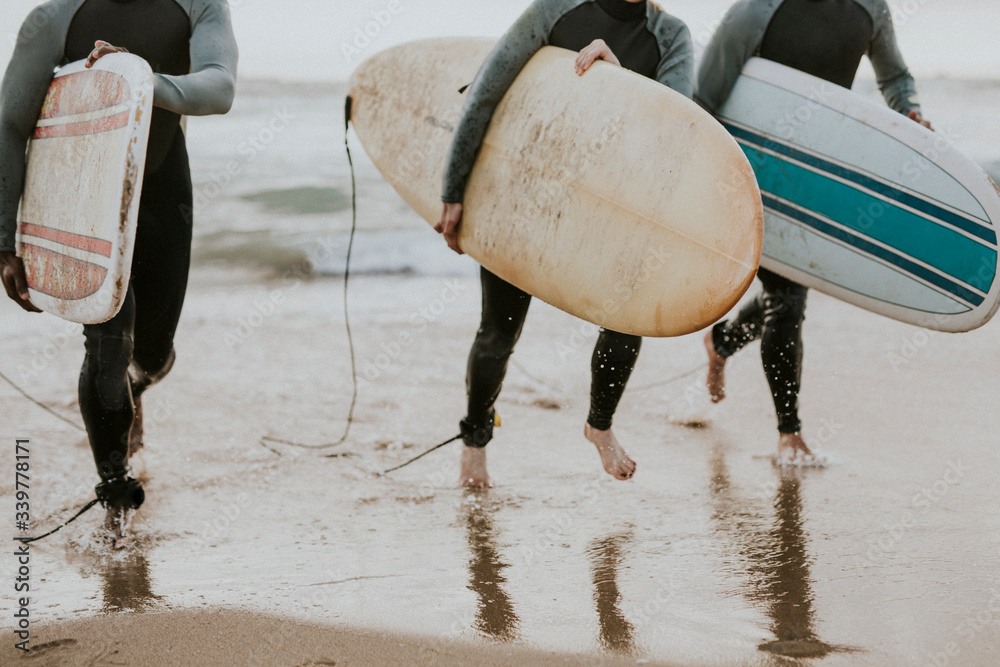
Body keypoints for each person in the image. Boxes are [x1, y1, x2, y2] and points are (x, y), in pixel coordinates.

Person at [0, 0, 238, 540]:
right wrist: (4, 240)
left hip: (161, 194)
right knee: (107, 341)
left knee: (151, 354)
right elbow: (11, 125)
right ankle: (114, 495)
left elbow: (220, 87)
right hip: (82, 196)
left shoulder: (200, 6)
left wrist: (135, 79)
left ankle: (138, 388)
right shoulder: (53, 18)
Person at [435, 0, 693, 487]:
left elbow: (677, 134)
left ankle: (599, 425)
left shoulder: (671, 37)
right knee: (498, 333)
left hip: (608, 206)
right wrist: (454, 190)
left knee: (626, 317)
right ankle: (474, 447)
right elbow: (487, 92)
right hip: (527, 191)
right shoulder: (555, 11)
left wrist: (618, 83)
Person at [695, 0, 931, 462]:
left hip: (818, 174)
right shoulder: (756, 9)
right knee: (787, 301)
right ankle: (789, 434)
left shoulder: (871, 9)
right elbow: (707, 95)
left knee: (785, 298)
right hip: (756, 171)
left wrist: (911, 112)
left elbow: (895, 77)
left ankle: (720, 342)